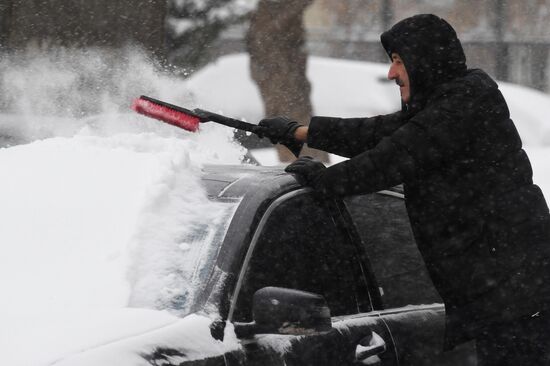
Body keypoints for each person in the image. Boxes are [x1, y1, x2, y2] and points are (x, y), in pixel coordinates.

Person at [258, 14, 550, 365]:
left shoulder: (462, 108)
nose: (391, 74)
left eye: (398, 62)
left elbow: (393, 157)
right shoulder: (451, 103)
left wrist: (326, 181)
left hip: (519, 300)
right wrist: (301, 133)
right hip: (507, 297)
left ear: (425, 62)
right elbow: (379, 133)